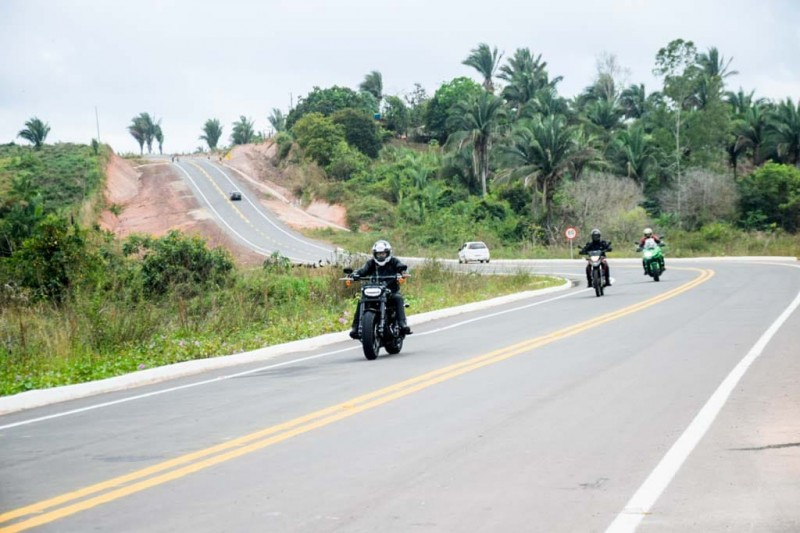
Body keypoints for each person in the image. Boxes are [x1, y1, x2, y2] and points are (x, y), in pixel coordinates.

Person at [349, 240, 411, 339]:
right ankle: (356, 328)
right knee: (361, 301)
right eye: (378, 254)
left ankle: (402, 324)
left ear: (388, 253)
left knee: (398, 298)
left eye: (383, 253)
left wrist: (403, 271)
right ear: (375, 254)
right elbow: (363, 270)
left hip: (390, 291)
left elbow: (400, 266)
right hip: (375, 290)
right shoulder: (371, 263)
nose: (381, 256)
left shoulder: (393, 261)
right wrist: (355, 275)